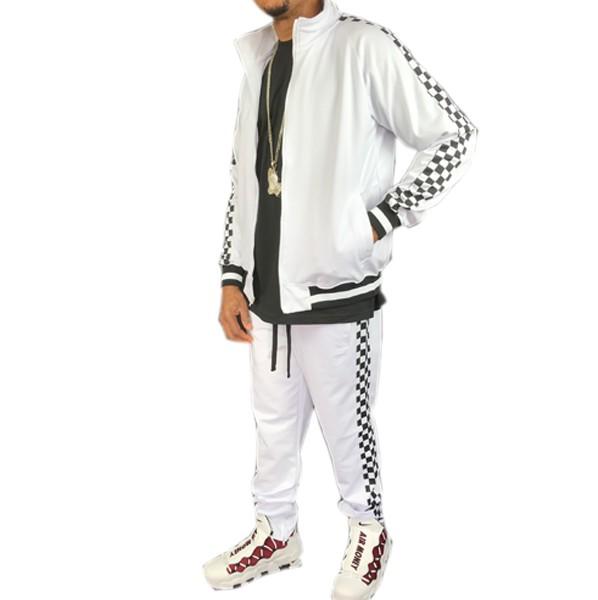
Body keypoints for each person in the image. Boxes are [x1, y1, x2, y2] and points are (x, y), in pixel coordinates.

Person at [204, 0, 478, 598]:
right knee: (272, 428)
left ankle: (368, 530)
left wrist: (381, 219)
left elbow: (453, 134)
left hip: (338, 291)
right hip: (266, 292)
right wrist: (232, 275)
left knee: (347, 429)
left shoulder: (363, 45)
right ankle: (276, 532)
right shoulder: (258, 58)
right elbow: (243, 179)